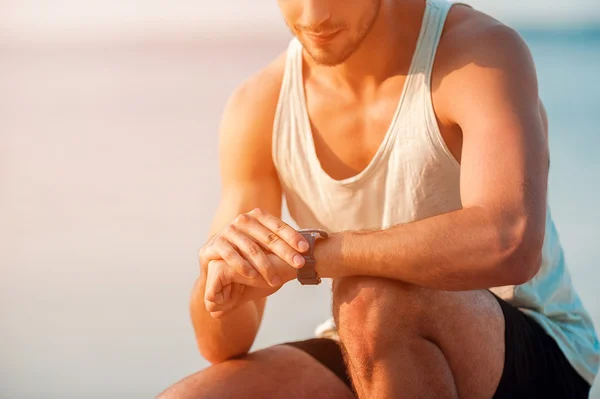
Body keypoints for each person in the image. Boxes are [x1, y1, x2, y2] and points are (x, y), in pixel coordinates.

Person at [157, 0, 599, 397]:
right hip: (365, 341)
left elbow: (510, 242)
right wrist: (219, 281)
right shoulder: (259, 105)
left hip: (533, 342)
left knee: (369, 295)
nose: (314, 16)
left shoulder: (478, 53)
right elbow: (221, 344)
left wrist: (313, 255)